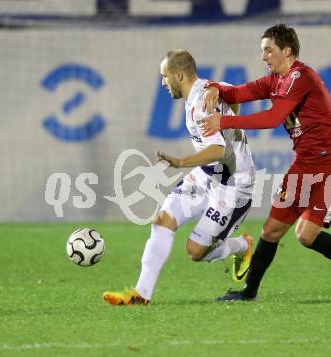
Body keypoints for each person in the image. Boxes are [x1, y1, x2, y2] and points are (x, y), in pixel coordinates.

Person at [201, 24, 331, 301]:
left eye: (269, 50)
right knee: (271, 230)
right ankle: (249, 292)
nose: (264, 56)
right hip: (303, 165)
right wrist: (214, 88)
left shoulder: (300, 76)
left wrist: (224, 120)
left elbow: (272, 118)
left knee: (305, 235)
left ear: (287, 51)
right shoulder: (274, 81)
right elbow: (237, 93)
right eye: (263, 51)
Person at [103, 50, 256, 305]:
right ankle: (141, 294)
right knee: (163, 220)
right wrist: (233, 122)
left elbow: (217, 150)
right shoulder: (209, 88)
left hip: (234, 186)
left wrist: (180, 162)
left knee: (195, 252)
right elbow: (232, 92)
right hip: (207, 175)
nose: (163, 82)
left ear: (179, 75)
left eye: (165, 76)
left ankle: (243, 245)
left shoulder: (199, 105)